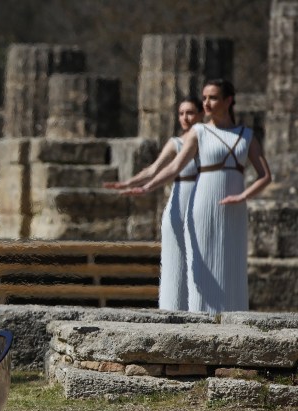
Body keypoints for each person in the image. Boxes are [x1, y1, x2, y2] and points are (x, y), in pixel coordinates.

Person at [123, 79, 272, 313]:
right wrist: (147, 187)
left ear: (228, 101)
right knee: (202, 271)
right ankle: (200, 324)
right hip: (203, 204)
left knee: (232, 266)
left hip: (234, 209)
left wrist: (243, 196)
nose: (207, 103)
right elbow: (174, 168)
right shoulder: (199, 132)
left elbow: (265, 176)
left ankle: (233, 326)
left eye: (213, 97)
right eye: (204, 98)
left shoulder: (246, 135)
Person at [105, 97, 204, 310]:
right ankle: (172, 307)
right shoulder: (175, 143)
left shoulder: (209, 141)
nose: (185, 118)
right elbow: (153, 169)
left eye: (190, 113)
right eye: (181, 113)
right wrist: (127, 183)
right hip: (180, 201)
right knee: (175, 259)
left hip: (202, 203)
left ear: (201, 115)